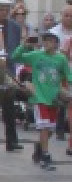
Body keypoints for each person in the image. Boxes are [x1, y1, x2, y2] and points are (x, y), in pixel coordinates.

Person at [11, 32, 71, 170]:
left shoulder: (61, 59)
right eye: (45, 41)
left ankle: (40, 147)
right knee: (44, 127)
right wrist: (23, 46)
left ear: (56, 44)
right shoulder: (36, 55)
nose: (47, 44)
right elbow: (16, 57)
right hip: (40, 97)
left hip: (54, 98)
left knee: (50, 130)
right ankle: (45, 155)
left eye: (50, 41)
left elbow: (68, 75)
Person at [0, 0, 25, 151]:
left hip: (8, 69)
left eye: (6, 10)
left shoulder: (14, 26)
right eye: (1, 9)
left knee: (9, 107)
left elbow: (15, 48)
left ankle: (11, 141)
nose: (3, 12)